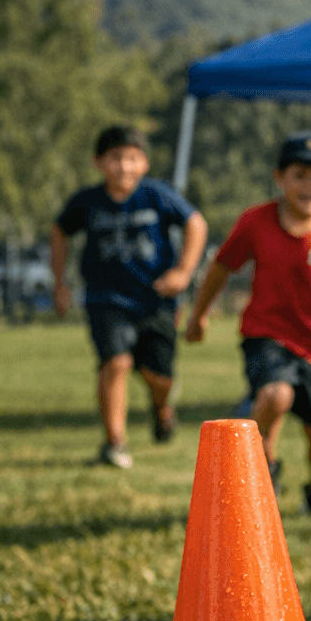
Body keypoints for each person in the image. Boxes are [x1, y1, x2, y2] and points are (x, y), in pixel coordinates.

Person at [185, 130, 311, 518]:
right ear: (280, 178)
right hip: (268, 333)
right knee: (275, 395)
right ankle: (266, 472)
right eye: (300, 175)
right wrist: (198, 315)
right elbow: (222, 266)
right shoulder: (256, 221)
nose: (310, 186)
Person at [50, 126, 208, 468]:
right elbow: (59, 230)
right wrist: (59, 281)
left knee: (158, 376)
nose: (124, 166)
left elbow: (196, 223)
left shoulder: (157, 195)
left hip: (156, 299)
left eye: (133, 158)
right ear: (98, 162)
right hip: (106, 299)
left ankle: (162, 406)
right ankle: (114, 443)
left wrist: (183, 271)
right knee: (115, 363)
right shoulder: (87, 202)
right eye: (116, 158)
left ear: (145, 163)